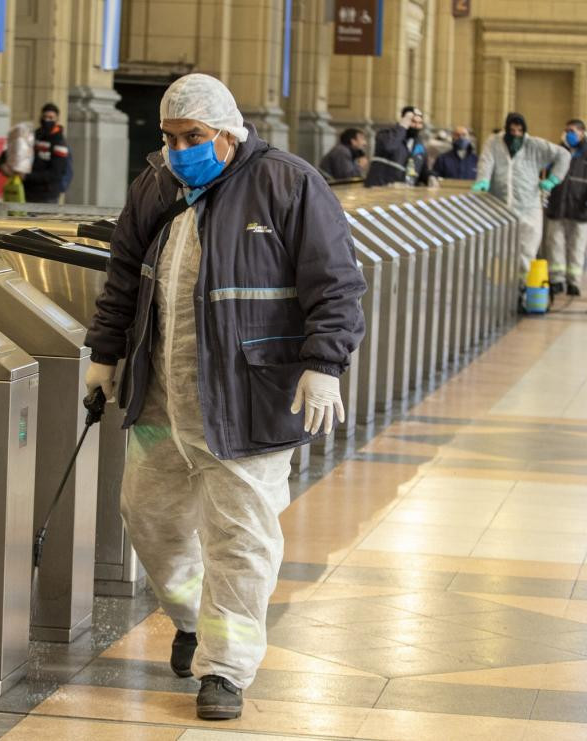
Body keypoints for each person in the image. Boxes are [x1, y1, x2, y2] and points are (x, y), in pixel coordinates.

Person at [82, 73, 365, 722]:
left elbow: (337, 284)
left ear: (230, 134)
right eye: (171, 136)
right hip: (161, 401)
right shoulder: (158, 185)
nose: (181, 149)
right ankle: (189, 616)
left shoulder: (289, 185)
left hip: (247, 402)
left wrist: (325, 363)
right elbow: (124, 275)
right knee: (148, 520)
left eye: (194, 137)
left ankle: (225, 669)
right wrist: (104, 356)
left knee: (240, 539)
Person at [472, 112, 570, 279]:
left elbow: (563, 155)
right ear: (506, 129)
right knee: (497, 249)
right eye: (512, 130)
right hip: (499, 206)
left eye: (519, 130)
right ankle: (497, 286)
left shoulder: (534, 145)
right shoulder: (494, 142)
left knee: (527, 249)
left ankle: (522, 288)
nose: (516, 134)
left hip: (528, 207)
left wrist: (553, 179)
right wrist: (483, 180)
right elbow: (486, 162)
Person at [545, 119, 587, 296]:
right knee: (555, 245)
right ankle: (556, 280)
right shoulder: (558, 152)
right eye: (566, 130)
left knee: (577, 247)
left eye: (572, 131)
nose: (568, 134)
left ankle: (574, 281)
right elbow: (545, 171)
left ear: (582, 133)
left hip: (580, 209)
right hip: (558, 207)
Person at [0, 102, 72, 202]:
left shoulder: (60, 144)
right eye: (44, 117)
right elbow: (12, 151)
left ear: (57, 120)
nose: (47, 120)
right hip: (24, 192)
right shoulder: (31, 137)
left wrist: (27, 176)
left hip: (46, 196)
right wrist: (2, 164)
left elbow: (55, 174)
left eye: (51, 118)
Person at [365, 106, 427, 187]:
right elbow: (389, 147)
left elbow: (422, 169)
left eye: (420, 123)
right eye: (413, 121)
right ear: (404, 120)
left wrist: (430, 176)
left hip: (402, 192)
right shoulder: (386, 135)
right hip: (379, 188)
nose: (416, 126)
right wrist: (402, 126)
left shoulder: (419, 145)